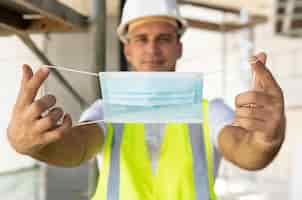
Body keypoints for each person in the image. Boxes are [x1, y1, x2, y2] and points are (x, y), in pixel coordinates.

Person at [7, 0, 286, 199]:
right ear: (127, 50)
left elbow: (245, 150)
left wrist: (266, 141)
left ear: (179, 47)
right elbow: (76, 148)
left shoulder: (211, 111)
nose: (152, 49)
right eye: (141, 38)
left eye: (163, 38)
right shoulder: (106, 109)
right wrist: (33, 146)